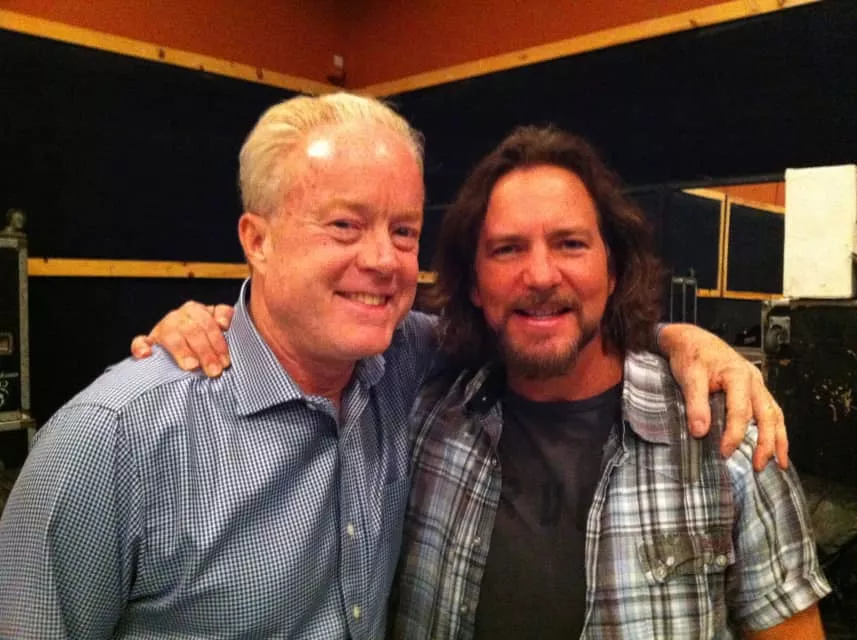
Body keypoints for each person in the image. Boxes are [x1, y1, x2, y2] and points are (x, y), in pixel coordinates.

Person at [0, 92, 433, 638]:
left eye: (404, 231)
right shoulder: (110, 440)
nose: (384, 260)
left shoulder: (410, 361)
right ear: (258, 240)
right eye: (345, 224)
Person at [389, 126, 829, 638]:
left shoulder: (726, 440)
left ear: (613, 271)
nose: (540, 275)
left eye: (570, 244)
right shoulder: (425, 422)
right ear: (474, 285)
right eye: (507, 249)